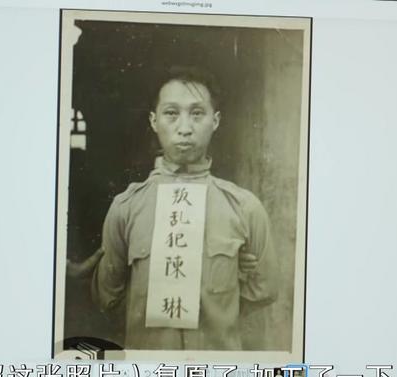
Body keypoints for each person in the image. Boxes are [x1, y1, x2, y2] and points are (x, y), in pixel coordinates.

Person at [91, 66, 279, 351]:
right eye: (171, 113)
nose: (185, 128)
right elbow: (107, 295)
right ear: (154, 121)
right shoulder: (126, 207)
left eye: (197, 113)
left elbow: (264, 289)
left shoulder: (244, 207)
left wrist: (220, 304)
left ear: (215, 121)